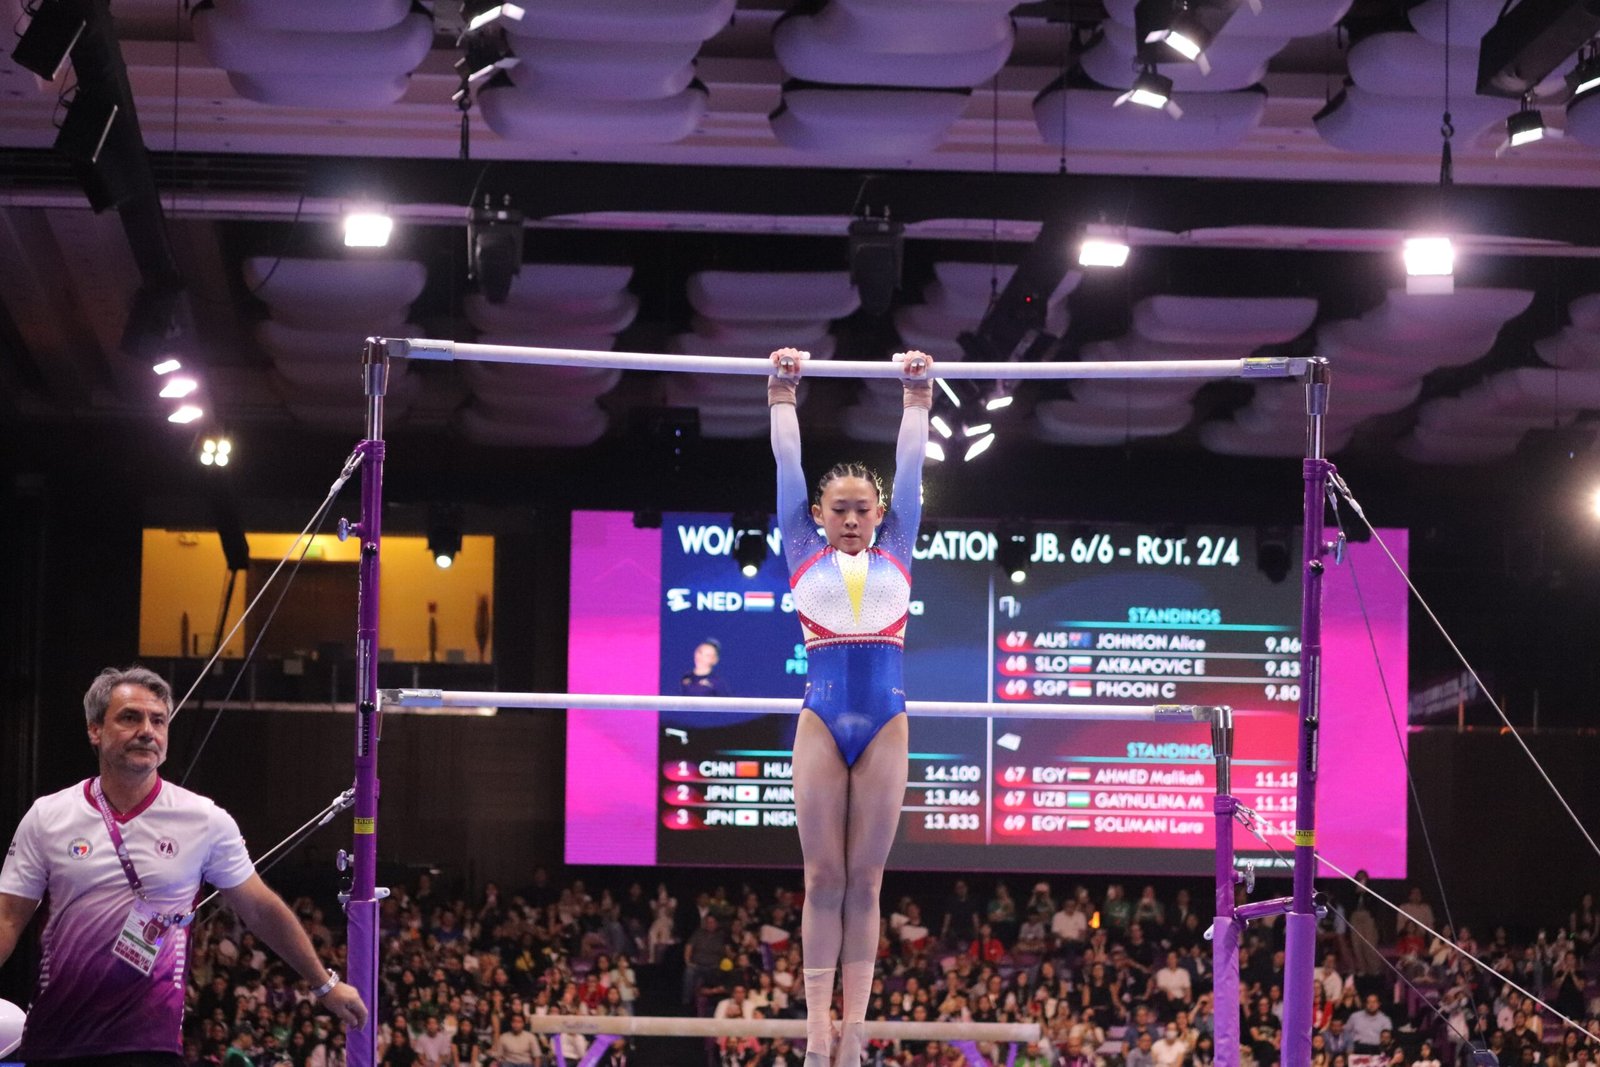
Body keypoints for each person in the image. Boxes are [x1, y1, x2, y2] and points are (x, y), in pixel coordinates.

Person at [0, 665, 368, 1064]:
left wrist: (324, 983)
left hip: (148, 1043)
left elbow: (260, 910)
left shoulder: (204, 819)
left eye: (158, 720)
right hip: (57, 1041)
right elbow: (7, 918)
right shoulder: (48, 816)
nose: (147, 730)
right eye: (130, 717)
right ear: (94, 730)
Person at [767, 346, 932, 1067]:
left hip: (888, 720)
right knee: (821, 878)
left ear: (882, 513)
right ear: (817, 515)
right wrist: (781, 392)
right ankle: (814, 1025)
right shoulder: (800, 546)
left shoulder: (900, 540)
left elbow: (913, 465)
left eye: (865, 509)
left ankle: (856, 1026)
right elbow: (787, 466)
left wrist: (917, 395)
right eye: (841, 510)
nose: (854, 519)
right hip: (822, 721)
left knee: (867, 880)